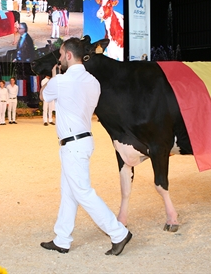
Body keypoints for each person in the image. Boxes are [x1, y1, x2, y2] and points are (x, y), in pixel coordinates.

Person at [39, 37, 132, 256]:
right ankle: (62, 238)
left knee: (82, 192)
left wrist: (52, 78)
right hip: (84, 140)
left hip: (72, 143)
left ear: (69, 55)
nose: (60, 59)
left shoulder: (60, 81)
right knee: (69, 191)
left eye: (61, 55)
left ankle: (119, 233)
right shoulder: (93, 81)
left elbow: (44, 95)